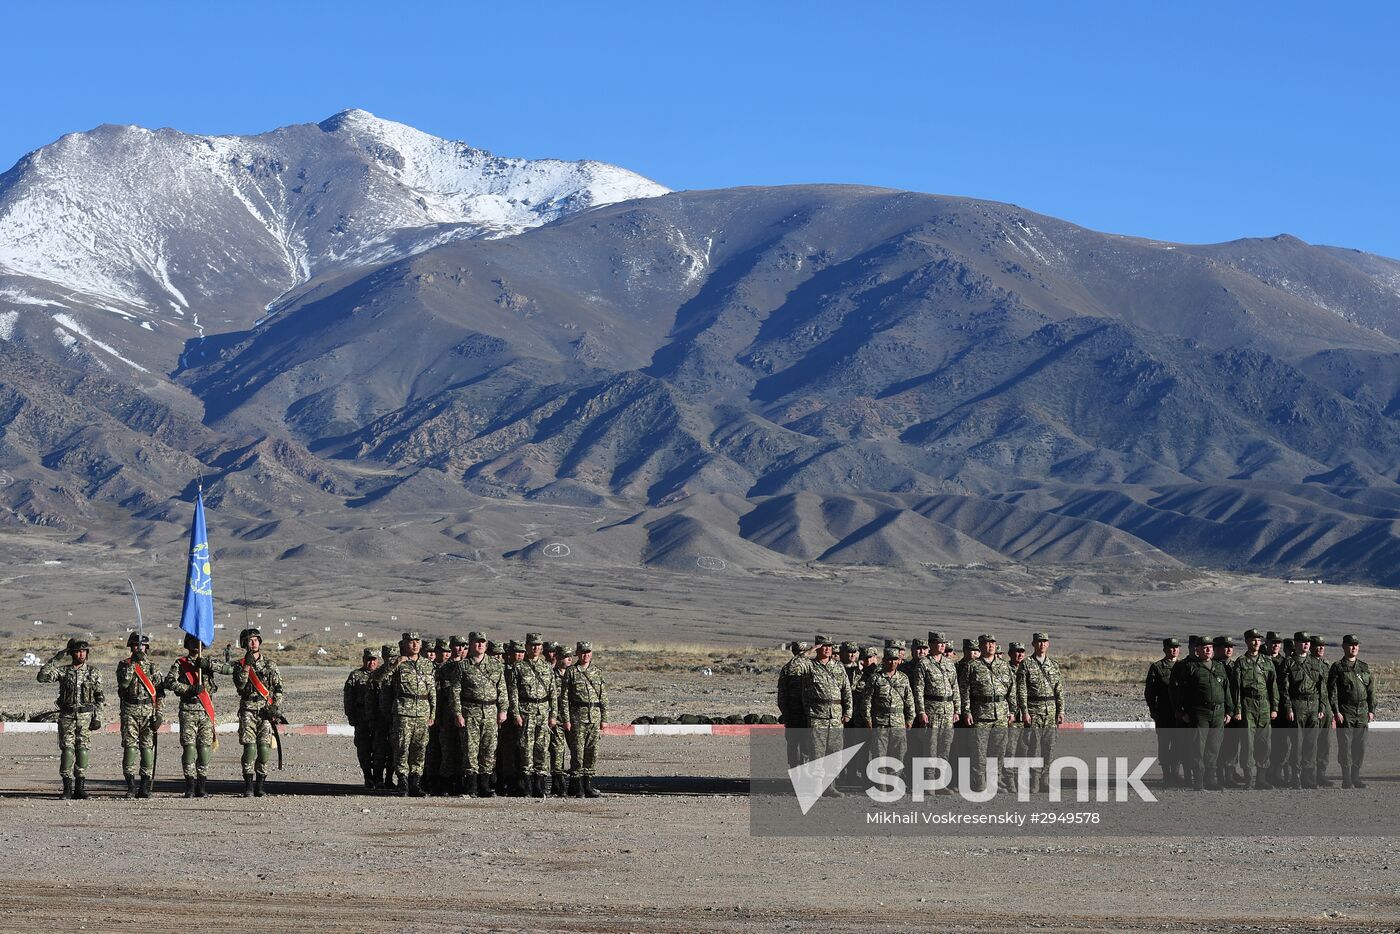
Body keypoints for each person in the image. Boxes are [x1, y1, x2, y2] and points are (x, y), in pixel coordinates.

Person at [164, 633, 235, 798]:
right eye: (193, 642)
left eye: (199, 642)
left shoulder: (208, 662)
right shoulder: (180, 663)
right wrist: (188, 689)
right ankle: (189, 784)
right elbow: (169, 682)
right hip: (188, 709)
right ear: (187, 644)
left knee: (204, 749)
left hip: (205, 710)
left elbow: (229, 669)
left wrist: (209, 664)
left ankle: (201, 784)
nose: (196, 645)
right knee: (189, 748)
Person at [38, 637, 104, 799]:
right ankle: (67, 787)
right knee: (67, 750)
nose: (81, 654)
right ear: (72, 653)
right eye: (77, 651)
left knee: (82, 750)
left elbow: (99, 697)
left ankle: (80, 788)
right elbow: (42, 676)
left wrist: (98, 717)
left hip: (85, 716)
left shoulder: (93, 672)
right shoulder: (63, 671)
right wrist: (57, 658)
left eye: (84, 651)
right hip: (67, 715)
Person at [448, 631, 507, 797]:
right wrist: (457, 714)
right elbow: (455, 692)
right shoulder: (463, 666)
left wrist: (503, 710)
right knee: (470, 749)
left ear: (486, 645)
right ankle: (471, 786)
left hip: (490, 711)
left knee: (488, 749)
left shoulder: (495, 666)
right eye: (476, 642)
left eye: (482, 642)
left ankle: (485, 785)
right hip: (470, 711)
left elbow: (502, 690)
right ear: (471, 645)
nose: (480, 645)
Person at [1172, 635, 1230, 791]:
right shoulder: (1191, 668)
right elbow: (1182, 693)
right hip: (1200, 713)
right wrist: (1181, 711)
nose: (1208, 650)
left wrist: (1229, 710)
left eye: (1210, 647)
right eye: (1205, 647)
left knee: (1214, 747)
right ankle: (1198, 781)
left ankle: (1210, 780)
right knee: (1198, 747)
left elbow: (1226, 690)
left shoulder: (1219, 667)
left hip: (1218, 712)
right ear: (1197, 650)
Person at [232, 627, 284, 797]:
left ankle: (260, 784)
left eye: (256, 639)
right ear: (244, 644)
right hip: (248, 710)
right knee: (249, 749)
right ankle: (248, 785)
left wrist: (275, 707)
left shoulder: (270, 665)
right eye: (249, 640)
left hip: (265, 712)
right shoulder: (239, 665)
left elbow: (278, 689)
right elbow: (240, 684)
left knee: (264, 749)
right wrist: (247, 665)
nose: (253, 642)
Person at [799, 635, 852, 797]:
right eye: (824, 646)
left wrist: (848, 711)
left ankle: (829, 785)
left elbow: (846, 690)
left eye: (830, 646)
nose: (828, 649)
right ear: (817, 648)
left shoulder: (838, 666)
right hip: (817, 716)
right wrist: (807, 653)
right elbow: (795, 666)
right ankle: (815, 786)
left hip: (836, 716)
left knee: (835, 753)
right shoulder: (810, 666)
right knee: (817, 752)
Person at [961, 634, 1014, 794]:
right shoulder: (972, 666)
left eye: (992, 643)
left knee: (998, 750)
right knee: (979, 751)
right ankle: (979, 783)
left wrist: (1012, 710)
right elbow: (964, 690)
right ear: (980, 646)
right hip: (980, 714)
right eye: (985, 643)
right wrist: (966, 711)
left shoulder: (1004, 666)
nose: (989, 646)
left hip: (1001, 714)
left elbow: (1011, 690)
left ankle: (994, 781)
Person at [116, 632, 163, 798]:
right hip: (130, 711)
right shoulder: (124, 665)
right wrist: (133, 664)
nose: (139, 648)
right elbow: (123, 683)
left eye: (142, 645)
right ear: (131, 647)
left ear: (147, 648)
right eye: (136, 645)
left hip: (148, 712)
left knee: (146, 748)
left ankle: (144, 786)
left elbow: (160, 693)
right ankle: (130, 786)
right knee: (130, 748)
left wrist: (159, 715)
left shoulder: (153, 667)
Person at [389, 631, 436, 797]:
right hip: (404, 712)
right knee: (402, 747)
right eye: (411, 641)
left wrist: (433, 713)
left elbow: (432, 692)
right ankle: (402, 781)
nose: (414, 644)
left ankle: (415, 783)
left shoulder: (428, 665)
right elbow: (377, 679)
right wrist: (394, 664)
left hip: (423, 713)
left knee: (420, 748)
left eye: (417, 641)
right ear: (404, 644)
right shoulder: (398, 663)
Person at [912, 631, 961, 789]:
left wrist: (957, 710)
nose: (942, 645)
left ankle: (940, 783)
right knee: (930, 748)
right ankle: (929, 782)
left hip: (948, 711)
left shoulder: (949, 664)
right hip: (931, 710)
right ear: (931, 645)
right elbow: (918, 689)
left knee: (945, 748)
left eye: (944, 643)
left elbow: (955, 688)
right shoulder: (924, 664)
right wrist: (921, 711)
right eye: (939, 643)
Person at [560, 641, 608, 798]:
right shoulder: (571, 672)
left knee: (592, 751)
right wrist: (566, 719)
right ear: (578, 654)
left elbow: (603, 697)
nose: (586, 655)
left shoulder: (597, 672)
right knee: (578, 752)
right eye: (583, 652)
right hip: (577, 717)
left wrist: (604, 718)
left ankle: (588, 784)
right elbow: (565, 698)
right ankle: (577, 786)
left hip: (594, 716)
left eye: (588, 652)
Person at [1018, 632, 1064, 793]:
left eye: (1044, 641)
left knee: (1049, 747)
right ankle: (1034, 781)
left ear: (1048, 644)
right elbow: (1022, 691)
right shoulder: (1026, 664)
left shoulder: (1053, 665)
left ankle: (1045, 780)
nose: (1042, 644)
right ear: (1033, 644)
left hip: (1050, 711)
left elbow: (1059, 690)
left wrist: (1060, 710)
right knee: (1034, 748)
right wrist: (1025, 711)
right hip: (1034, 710)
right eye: (1039, 642)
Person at [514, 632, 559, 798]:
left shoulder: (547, 667)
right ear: (526, 647)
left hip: (543, 712)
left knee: (542, 749)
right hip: (526, 712)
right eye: (533, 645)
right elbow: (513, 693)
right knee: (526, 748)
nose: (535, 648)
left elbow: (553, 692)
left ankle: (539, 786)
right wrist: (516, 714)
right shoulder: (519, 667)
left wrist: (553, 714)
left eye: (538, 646)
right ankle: (526, 786)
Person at [1232, 629, 1278, 790]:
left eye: (1258, 640)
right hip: (1247, 704)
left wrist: (1274, 707)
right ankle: (1248, 779)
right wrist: (1237, 710)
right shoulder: (1241, 662)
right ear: (1246, 641)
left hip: (1264, 705)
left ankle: (1261, 779)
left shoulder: (1266, 661)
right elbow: (1236, 689)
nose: (1256, 642)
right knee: (1248, 743)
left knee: (1264, 743)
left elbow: (1273, 686)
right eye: (1252, 639)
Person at [1328, 634, 1375, 789]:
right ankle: (1346, 778)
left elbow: (1370, 691)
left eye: (1356, 645)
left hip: (1362, 711)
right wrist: (1336, 712)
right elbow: (1332, 692)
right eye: (1350, 645)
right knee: (1345, 745)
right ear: (1344, 646)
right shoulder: (1338, 667)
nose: (1354, 647)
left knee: (1359, 746)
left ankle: (1356, 777)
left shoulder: (1364, 667)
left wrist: (1371, 709)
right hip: (1345, 710)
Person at [1279, 631, 1324, 789]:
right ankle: (1296, 777)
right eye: (1302, 642)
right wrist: (1288, 707)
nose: (1306, 645)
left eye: (1308, 642)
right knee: (1297, 743)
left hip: (1313, 705)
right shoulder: (1289, 663)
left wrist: (1321, 707)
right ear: (1296, 643)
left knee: (1311, 743)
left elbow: (1321, 687)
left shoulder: (1315, 662)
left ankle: (1308, 776)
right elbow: (1284, 689)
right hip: (1297, 705)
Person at [859, 647, 914, 766]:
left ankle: (893, 783)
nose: (892, 662)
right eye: (889, 659)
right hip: (880, 723)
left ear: (899, 661)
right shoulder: (875, 678)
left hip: (898, 723)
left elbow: (909, 700)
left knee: (898, 756)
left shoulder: (903, 678)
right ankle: (881, 784)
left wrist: (910, 719)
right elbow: (866, 701)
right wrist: (868, 720)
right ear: (884, 660)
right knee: (879, 756)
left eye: (895, 659)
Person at [1145, 638, 1182, 785]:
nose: (1174, 650)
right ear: (1165, 650)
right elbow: (1150, 692)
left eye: (1176, 647)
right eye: (1170, 648)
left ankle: (1176, 771)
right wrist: (1153, 710)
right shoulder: (1157, 667)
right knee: (1165, 743)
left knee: (1179, 743)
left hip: (1179, 712)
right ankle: (1167, 773)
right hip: (1164, 712)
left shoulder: (1183, 666)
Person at [345, 648, 380, 789]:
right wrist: (351, 716)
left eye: (374, 660)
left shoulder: (383, 674)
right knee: (364, 748)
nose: (371, 662)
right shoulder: (355, 675)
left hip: (379, 718)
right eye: (368, 659)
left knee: (380, 748)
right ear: (363, 660)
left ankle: (379, 778)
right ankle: (368, 776)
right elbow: (348, 698)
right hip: (361, 717)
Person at [776, 641, 813, 769]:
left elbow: (781, 696)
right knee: (806, 744)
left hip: (792, 713)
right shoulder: (812, 666)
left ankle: (795, 770)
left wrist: (786, 714)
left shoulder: (787, 668)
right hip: (808, 713)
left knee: (793, 744)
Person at [1212, 636, 1242, 788]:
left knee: (1232, 744)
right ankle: (1218, 775)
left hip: (1234, 711)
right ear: (1216, 648)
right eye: (1225, 646)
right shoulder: (1211, 666)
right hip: (1217, 711)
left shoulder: (1235, 665)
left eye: (1231, 646)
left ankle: (1230, 775)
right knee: (1216, 744)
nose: (1229, 649)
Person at [369, 644, 399, 789]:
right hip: (380, 718)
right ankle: (378, 779)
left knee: (394, 751)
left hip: (394, 717)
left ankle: (389, 779)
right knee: (380, 750)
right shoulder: (380, 673)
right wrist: (371, 718)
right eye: (388, 657)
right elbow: (370, 699)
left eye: (394, 657)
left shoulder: (399, 673)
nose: (391, 660)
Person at [1264, 631, 1291, 786]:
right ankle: (1264, 774)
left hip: (1280, 708)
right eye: (1273, 642)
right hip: (1262, 707)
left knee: (1281, 742)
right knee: (1263, 742)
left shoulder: (1284, 662)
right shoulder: (1260, 660)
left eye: (1278, 643)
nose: (1276, 645)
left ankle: (1277, 772)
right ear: (1266, 643)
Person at [1310, 637, 1334, 787]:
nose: (1320, 648)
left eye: (1323, 646)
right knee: (1310, 742)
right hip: (1312, 707)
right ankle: (1309, 774)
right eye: (1317, 646)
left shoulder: (1326, 665)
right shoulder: (1307, 664)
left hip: (1327, 708)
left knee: (1325, 743)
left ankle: (1321, 773)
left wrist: (1332, 712)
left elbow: (1331, 690)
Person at [550, 643, 574, 796]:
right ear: (557, 658)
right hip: (557, 719)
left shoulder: (575, 674)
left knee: (577, 752)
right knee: (557, 752)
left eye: (570, 657)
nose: (569, 659)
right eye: (565, 656)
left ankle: (576, 784)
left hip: (574, 719)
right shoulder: (550, 675)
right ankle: (558, 785)